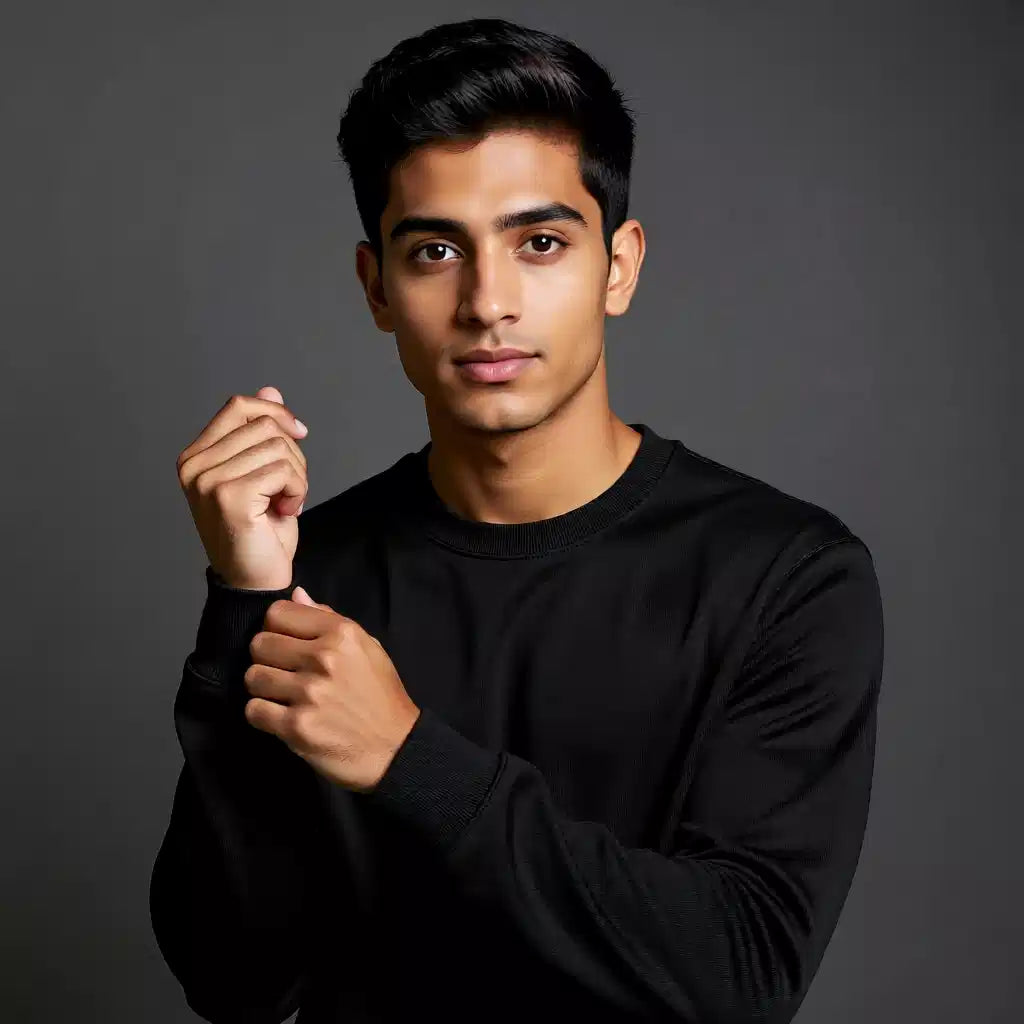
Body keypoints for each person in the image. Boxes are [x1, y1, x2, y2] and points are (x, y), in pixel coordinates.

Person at [150, 17, 885, 1024]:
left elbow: (742, 975)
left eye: (539, 243)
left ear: (617, 266)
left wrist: (412, 760)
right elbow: (234, 979)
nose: (487, 301)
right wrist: (244, 600)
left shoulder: (786, 574)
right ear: (376, 288)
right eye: (435, 249)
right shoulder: (313, 569)